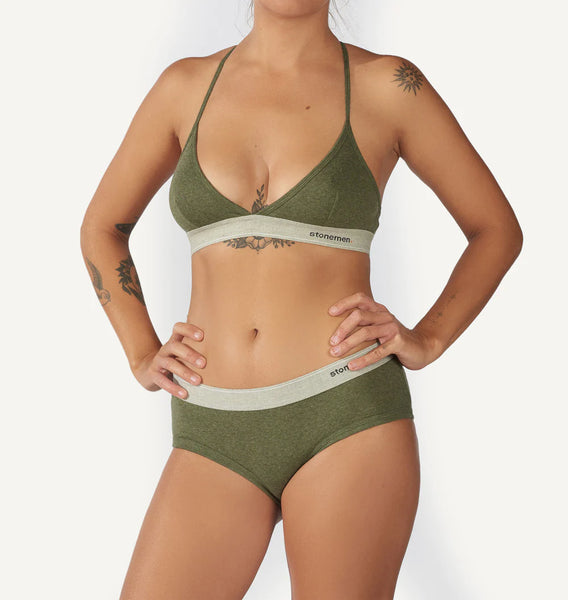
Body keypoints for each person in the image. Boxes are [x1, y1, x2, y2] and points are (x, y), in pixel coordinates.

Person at [79, 1, 523, 598]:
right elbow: (102, 227)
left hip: (346, 412)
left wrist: (429, 338)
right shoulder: (183, 87)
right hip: (211, 425)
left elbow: (496, 229)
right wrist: (140, 351)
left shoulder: (390, 86)